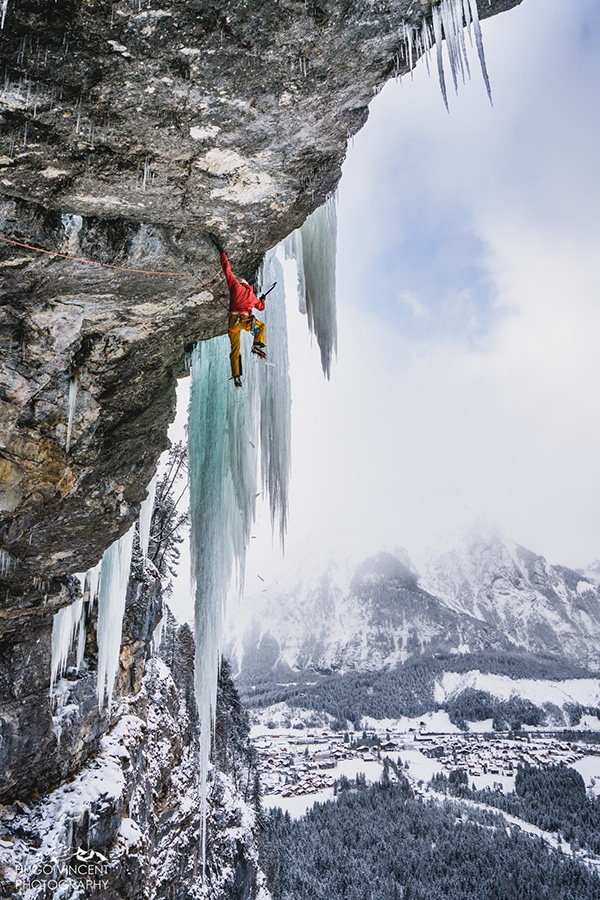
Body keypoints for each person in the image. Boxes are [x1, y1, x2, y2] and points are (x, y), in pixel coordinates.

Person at [208, 234, 267, 387]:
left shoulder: (235, 286)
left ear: (241, 283)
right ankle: (257, 345)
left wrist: (222, 252)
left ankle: (236, 375)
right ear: (249, 286)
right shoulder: (252, 297)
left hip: (233, 323)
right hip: (245, 321)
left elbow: (227, 270)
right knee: (261, 327)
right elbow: (260, 307)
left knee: (235, 350)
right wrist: (262, 300)